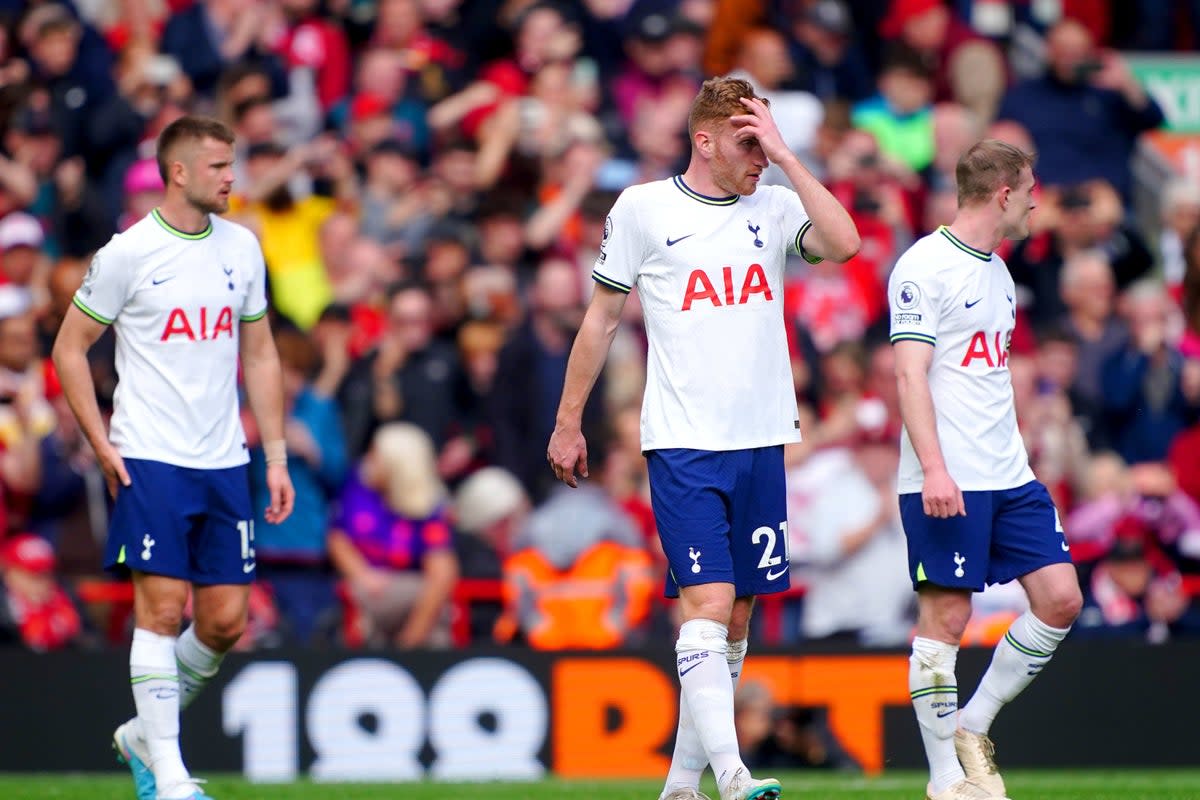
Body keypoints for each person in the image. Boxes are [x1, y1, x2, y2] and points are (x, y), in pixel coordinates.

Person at [547, 76, 860, 800]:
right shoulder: (645, 209)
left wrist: (787, 156)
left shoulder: (776, 206)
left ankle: (681, 785)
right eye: (749, 143)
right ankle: (733, 773)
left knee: (739, 613)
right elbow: (600, 320)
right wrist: (569, 422)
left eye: (768, 141)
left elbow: (844, 243)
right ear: (705, 139)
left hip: (762, 440)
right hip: (684, 440)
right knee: (709, 604)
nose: (762, 157)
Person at [52, 116, 295, 800]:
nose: (231, 177)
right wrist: (100, 441)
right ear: (179, 171)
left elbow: (260, 352)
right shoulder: (128, 254)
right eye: (219, 166)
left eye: (232, 163)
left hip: (224, 459)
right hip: (149, 455)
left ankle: (141, 733)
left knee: (224, 623)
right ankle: (171, 776)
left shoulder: (242, 248)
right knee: (160, 611)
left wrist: (273, 457)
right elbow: (70, 347)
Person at [887, 139, 1083, 800]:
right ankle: (946, 782)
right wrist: (935, 469)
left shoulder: (998, 271)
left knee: (1061, 599)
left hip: (1009, 474)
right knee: (944, 621)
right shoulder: (924, 266)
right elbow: (909, 374)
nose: (1035, 203)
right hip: (948, 478)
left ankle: (973, 725)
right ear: (1004, 193)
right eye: (1029, 190)